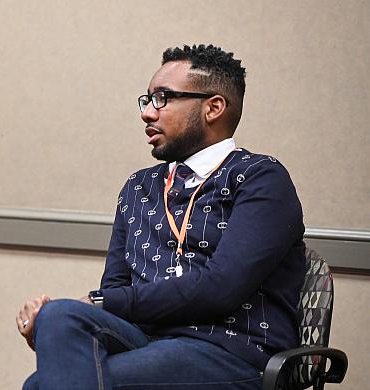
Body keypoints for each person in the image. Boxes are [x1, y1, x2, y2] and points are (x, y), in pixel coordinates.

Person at [16, 44, 306, 389]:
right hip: (146, 340)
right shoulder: (139, 186)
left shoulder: (260, 177)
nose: (147, 113)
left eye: (163, 98)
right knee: (58, 314)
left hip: (229, 350)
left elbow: (220, 289)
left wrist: (99, 301)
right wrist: (50, 328)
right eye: (147, 100)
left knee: (40, 386)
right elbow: (116, 289)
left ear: (213, 107)